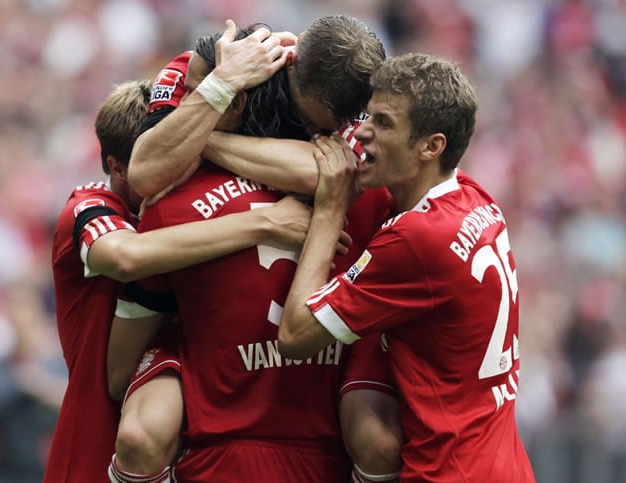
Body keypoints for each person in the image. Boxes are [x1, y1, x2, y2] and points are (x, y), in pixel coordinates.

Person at [116, 16, 403, 483]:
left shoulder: (355, 102)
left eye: (321, 126)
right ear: (290, 63)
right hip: (195, 313)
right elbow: (144, 174)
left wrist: (199, 139)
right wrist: (222, 82)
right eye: (308, 120)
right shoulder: (202, 63)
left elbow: (327, 173)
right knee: (131, 401)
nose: (316, 130)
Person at [277, 52, 536, 482]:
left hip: (450, 473)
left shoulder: (418, 239)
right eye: (367, 115)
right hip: (506, 466)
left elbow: (295, 335)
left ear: (432, 146)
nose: (362, 132)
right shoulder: (476, 199)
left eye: (383, 122)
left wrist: (327, 213)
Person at [45, 74, 312, 482]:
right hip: (95, 445)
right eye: (158, 154)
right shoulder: (89, 206)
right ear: (117, 166)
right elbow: (126, 255)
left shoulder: (196, 203)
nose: (174, 167)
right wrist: (264, 223)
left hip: (194, 435)